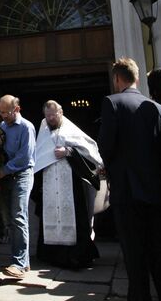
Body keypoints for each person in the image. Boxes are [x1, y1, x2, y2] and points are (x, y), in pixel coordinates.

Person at [98, 58, 161, 301]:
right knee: (160, 252)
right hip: (155, 190)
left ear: (117, 79)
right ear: (137, 78)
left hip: (126, 191)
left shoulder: (112, 102)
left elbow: (105, 146)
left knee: (134, 254)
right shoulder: (158, 107)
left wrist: (110, 168)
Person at [34, 100, 101, 269]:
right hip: (49, 182)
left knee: (75, 216)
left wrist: (68, 151)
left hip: (70, 182)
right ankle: (51, 254)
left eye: (53, 115)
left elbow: (88, 150)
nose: (50, 118)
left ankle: (77, 255)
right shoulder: (43, 131)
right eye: (47, 115)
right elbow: (39, 155)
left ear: (61, 112)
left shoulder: (70, 130)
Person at [0, 94, 35, 279]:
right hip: (6, 176)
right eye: (0, 112)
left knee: (19, 216)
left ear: (17, 109)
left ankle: (18, 264)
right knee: (10, 219)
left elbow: (24, 157)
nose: (3, 115)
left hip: (22, 174)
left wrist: (4, 169)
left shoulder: (27, 127)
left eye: (6, 112)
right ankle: (23, 262)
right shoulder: (3, 126)